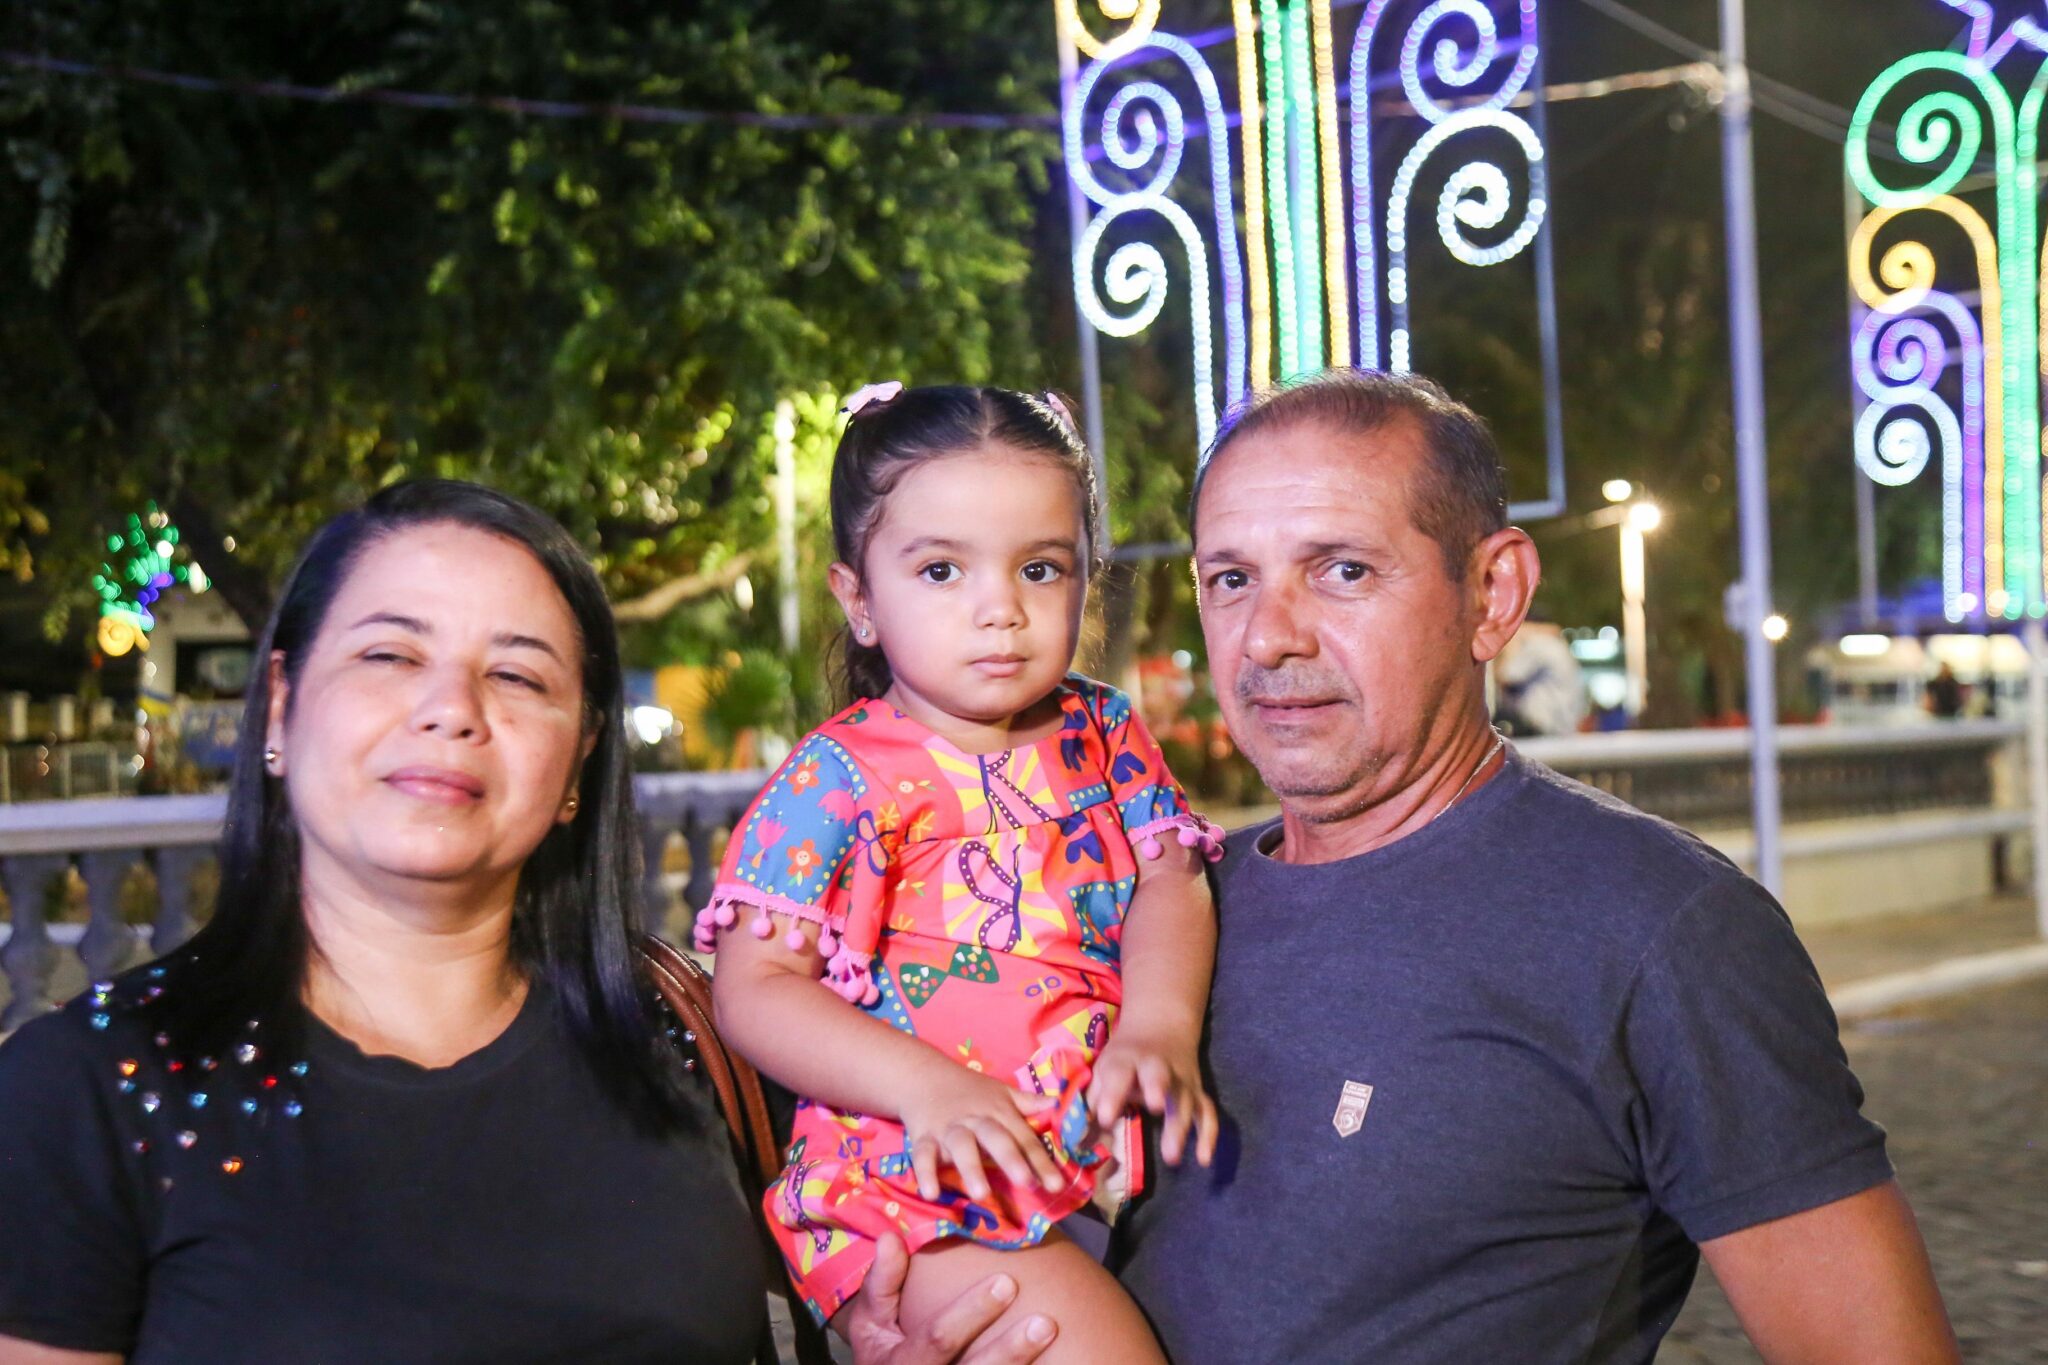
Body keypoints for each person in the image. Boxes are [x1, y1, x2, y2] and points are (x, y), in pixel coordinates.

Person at [0, 480, 1056, 1365]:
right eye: (389, 655)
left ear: (579, 757)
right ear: (280, 706)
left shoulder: (691, 1044)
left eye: (516, 674)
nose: (452, 710)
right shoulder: (84, 1091)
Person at [1113, 370, 1959, 1363]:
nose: (1268, 634)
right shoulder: (1160, 909)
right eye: (1230, 579)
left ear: (1492, 594)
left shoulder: (1658, 929)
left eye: (1341, 570)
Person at [698, 384, 1223, 1360]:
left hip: (1080, 1159)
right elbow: (754, 988)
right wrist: (927, 1088)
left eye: (1040, 568)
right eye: (941, 570)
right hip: (916, 1180)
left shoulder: (1105, 731)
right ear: (858, 599)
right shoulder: (833, 780)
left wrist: (1159, 1024)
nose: (1000, 611)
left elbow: (1170, 878)